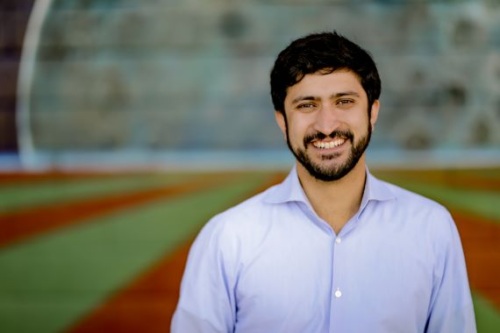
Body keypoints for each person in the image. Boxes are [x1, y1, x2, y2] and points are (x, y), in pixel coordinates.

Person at [171, 31, 476, 332]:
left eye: (344, 102)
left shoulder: (431, 227)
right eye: (307, 105)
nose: (327, 125)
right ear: (282, 120)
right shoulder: (228, 238)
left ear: (372, 112)